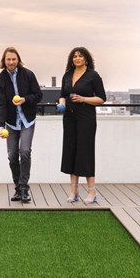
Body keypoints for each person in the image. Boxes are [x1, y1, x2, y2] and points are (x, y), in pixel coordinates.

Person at [0, 46, 43, 203]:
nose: (11, 62)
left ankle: (24, 188)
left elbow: (38, 95)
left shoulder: (28, 74)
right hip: (11, 123)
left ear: (18, 60)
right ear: (4, 61)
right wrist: (0, 126)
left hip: (27, 120)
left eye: (14, 59)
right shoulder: (0, 80)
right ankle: (17, 187)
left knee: (25, 151)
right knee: (12, 155)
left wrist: (25, 99)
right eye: (8, 59)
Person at [58, 46, 106, 204]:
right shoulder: (67, 75)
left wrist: (84, 99)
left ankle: (92, 192)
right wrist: (62, 103)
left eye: (80, 56)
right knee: (70, 152)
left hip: (86, 119)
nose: (77, 58)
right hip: (69, 118)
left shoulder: (93, 75)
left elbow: (101, 98)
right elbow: (62, 95)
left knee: (85, 153)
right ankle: (74, 192)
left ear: (86, 58)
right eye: (74, 56)